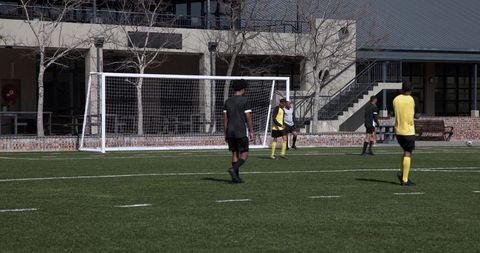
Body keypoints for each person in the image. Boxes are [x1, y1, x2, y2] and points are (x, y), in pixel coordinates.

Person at [223, 79, 255, 183]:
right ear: (242, 89)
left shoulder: (227, 101)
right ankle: (233, 169)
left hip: (230, 131)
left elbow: (225, 119)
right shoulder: (244, 100)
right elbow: (248, 117)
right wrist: (251, 131)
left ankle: (236, 178)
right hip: (240, 130)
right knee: (244, 154)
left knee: (234, 153)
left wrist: (225, 133)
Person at [393, 82, 419, 186]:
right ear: (411, 89)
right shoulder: (413, 99)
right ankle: (405, 179)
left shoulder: (396, 99)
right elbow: (417, 115)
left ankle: (403, 173)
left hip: (398, 130)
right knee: (408, 153)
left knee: (405, 151)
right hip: (408, 131)